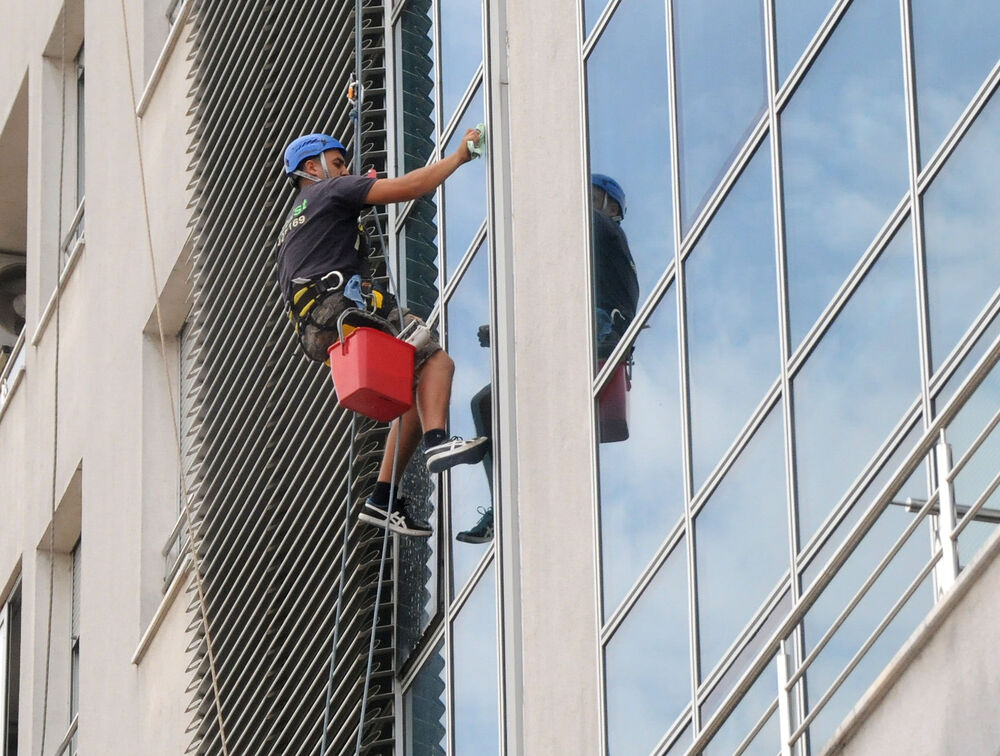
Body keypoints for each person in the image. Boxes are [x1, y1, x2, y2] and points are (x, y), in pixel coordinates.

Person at [277, 131, 489, 538]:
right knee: (437, 359)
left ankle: (382, 498)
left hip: (317, 329)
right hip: (345, 308)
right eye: (337, 164)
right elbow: (411, 187)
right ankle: (438, 441)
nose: (345, 170)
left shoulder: (295, 219)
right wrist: (459, 156)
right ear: (311, 167)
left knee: (410, 387)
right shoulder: (333, 191)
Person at [452, 174, 640, 544]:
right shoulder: (593, 241)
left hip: (595, 333)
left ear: (612, 207)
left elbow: (563, 297)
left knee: (497, 406)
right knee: (486, 403)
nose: (579, 200)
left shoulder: (602, 227)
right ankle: (503, 502)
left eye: (589, 195)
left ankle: (516, 502)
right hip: (583, 332)